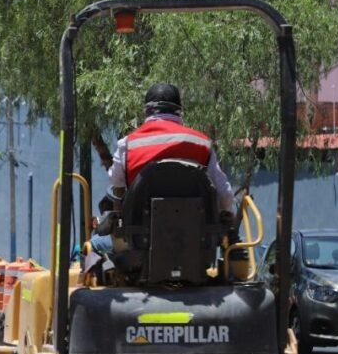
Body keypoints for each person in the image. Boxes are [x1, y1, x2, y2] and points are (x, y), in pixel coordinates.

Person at [90, 83, 235, 255]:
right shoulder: (202, 144)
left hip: (140, 245)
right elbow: (225, 195)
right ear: (179, 112)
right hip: (197, 245)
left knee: (95, 243)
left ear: (147, 111)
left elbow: (117, 187)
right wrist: (224, 218)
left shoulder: (127, 145)